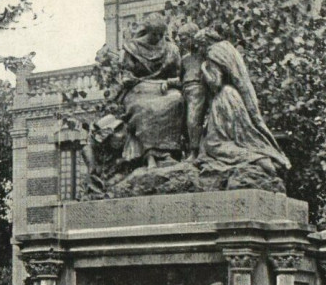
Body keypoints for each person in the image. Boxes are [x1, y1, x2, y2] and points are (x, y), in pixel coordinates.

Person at [199, 41, 290, 191]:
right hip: (234, 99)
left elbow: (215, 83)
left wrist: (203, 68)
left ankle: (258, 159)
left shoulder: (212, 54)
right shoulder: (226, 50)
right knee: (240, 138)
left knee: (214, 144)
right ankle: (264, 158)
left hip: (223, 100)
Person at [119, 13, 184, 168]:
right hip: (139, 89)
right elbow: (126, 74)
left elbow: (178, 76)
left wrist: (169, 83)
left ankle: (168, 153)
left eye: (161, 34)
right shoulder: (132, 47)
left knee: (176, 100)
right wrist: (129, 79)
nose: (158, 37)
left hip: (163, 88)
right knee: (144, 107)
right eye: (154, 34)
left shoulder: (171, 49)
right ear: (147, 31)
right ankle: (149, 155)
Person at [177, 22, 207, 161]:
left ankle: (195, 151)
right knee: (182, 121)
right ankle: (186, 149)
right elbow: (179, 77)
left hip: (198, 89)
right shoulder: (184, 59)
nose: (181, 43)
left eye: (184, 39)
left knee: (193, 120)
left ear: (193, 38)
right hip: (184, 90)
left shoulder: (204, 55)